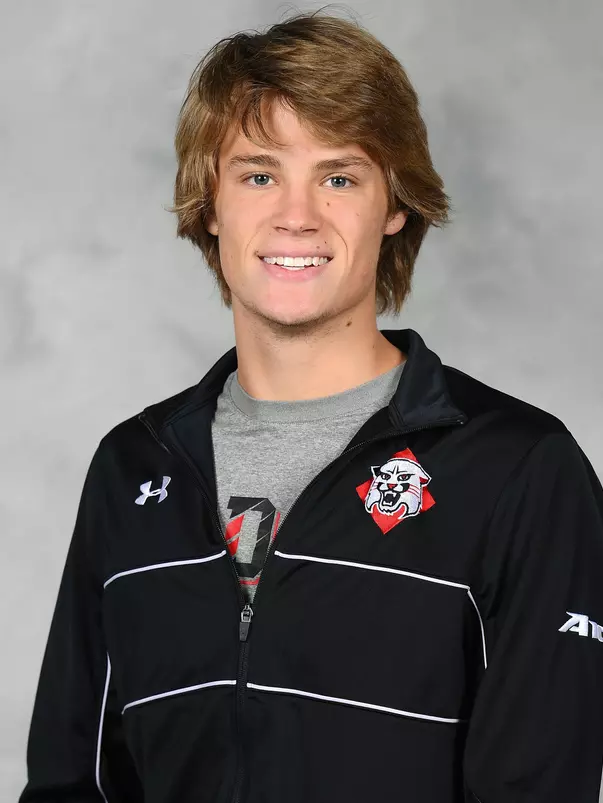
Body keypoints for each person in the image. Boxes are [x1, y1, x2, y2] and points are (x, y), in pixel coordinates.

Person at [19, 7, 603, 803]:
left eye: (338, 176)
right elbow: (70, 780)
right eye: (258, 174)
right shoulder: (134, 467)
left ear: (393, 205)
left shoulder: (517, 470)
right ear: (211, 203)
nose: (296, 215)